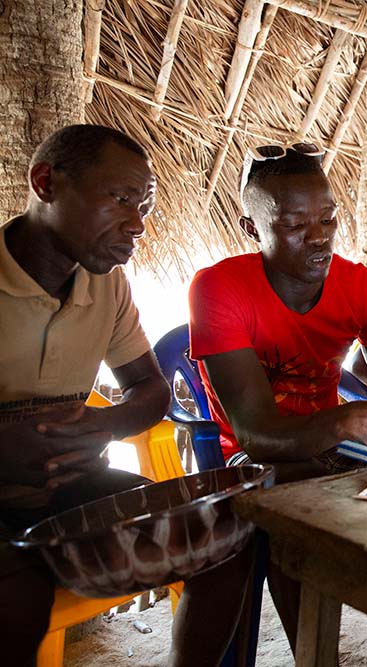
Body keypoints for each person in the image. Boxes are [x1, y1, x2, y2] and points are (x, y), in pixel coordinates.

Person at [188, 144, 367, 651]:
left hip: (334, 448)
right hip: (250, 457)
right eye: (294, 225)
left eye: (328, 218)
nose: (318, 237)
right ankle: (313, 653)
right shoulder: (219, 289)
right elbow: (259, 434)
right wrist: (349, 423)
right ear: (253, 228)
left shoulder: (358, 286)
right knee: (284, 499)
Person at [0, 124, 251, 667]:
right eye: (119, 199)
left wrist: (105, 425)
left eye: (143, 205)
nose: (136, 224)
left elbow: (149, 389)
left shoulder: (106, 284)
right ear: (45, 182)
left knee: (223, 544)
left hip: (70, 490)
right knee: (15, 601)